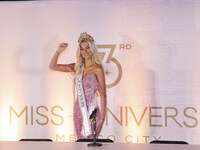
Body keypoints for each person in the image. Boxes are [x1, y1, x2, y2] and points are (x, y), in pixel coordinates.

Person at [49, 32, 107, 139]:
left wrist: (102, 118)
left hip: (92, 112)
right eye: (81, 49)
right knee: (80, 143)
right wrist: (58, 51)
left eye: (87, 48)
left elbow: (103, 96)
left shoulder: (97, 68)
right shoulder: (77, 67)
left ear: (92, 49)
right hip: (78, 111)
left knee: (90, 143)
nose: (85, 51)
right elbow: (53, 67)